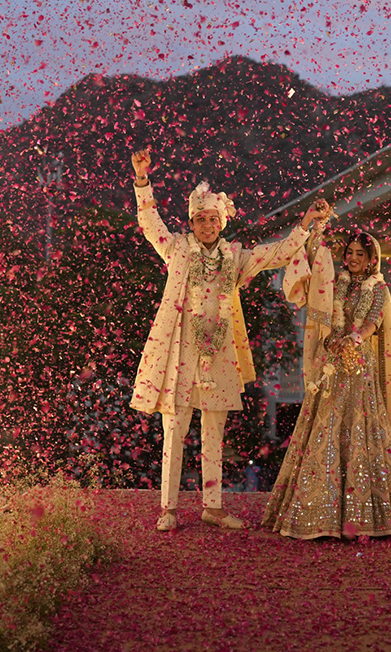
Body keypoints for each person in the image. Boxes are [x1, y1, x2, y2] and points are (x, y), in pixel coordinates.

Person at [130, 147, 329, 531]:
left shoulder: (234, 258)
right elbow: (150, 222)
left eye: (213, 219)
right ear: (192, 222)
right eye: (200, 219)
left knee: (214, 431)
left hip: (218, 354)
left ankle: (213, 506)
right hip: (181, 354)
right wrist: (142, 179)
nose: (207, 225)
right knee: (175, 430)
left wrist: (305, 224)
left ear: (222, 223)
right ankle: (168, 509)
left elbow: (278, 253)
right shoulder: (177, 250)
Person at [262, 226, 391, 539]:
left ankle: (365, 515)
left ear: (371, 259)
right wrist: (331, 341)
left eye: (360, 254)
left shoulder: (377, 288)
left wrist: (353, 339)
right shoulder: (335, 284)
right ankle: (319, 509)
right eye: (350, 252)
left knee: (360, 431)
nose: (353, 258)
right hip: (334, 366)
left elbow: (373, 322)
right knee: (325, 431)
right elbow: (324, 311)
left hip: (359, 368)